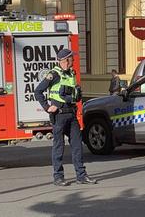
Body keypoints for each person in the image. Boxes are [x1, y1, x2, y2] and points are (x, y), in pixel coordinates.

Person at [34, 48, 98, 186]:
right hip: (59, 115)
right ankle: (58, 176)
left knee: (77, 146)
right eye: (71, 59)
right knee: (59, 146)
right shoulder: (54, 74)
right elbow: (38, 91)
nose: (73, 61)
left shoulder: (71, 74)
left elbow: (74, 94)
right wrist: (47, 107)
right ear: (65, 60)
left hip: (71, 114)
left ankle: (81, 175)